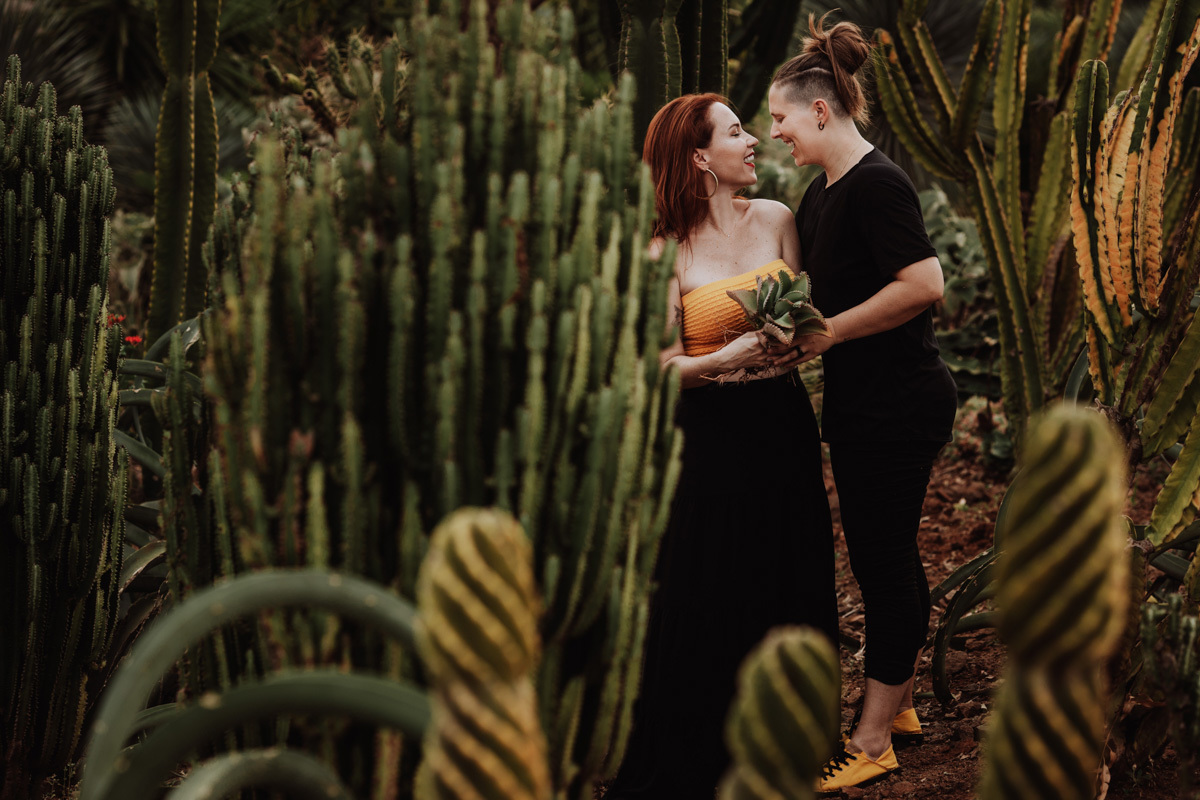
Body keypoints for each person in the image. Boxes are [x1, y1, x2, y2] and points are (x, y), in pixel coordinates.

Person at [605, 93, 839, 799]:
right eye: (737, 132)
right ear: (700, 156)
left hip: (781, 423)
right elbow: (660, 365)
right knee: (707, 584)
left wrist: (788, 344)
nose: (753, 141)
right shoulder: (663, 250)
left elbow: (806, 321)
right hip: (706, 436)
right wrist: (725, 355)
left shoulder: (778, 219)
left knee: (788, 568)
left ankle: (794, 740)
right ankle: (706, 751)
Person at [765, 12, 958, 793]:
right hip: (864, 405)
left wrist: (829, 334)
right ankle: (901, 703)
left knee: (881, 562)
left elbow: (925, 284)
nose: (773, 132)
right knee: (891, 554)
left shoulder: (877, 182)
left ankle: (873, 739)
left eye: (779, 118)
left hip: (898, 407)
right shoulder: (822, 195)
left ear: (818, 109)